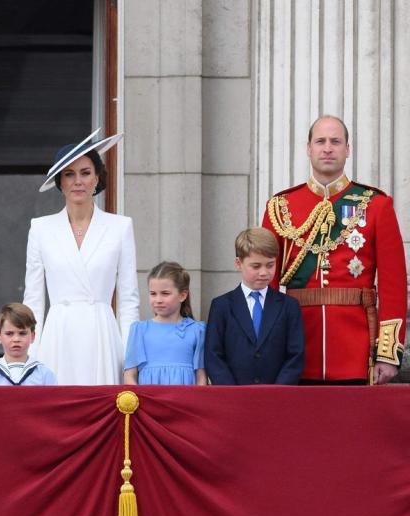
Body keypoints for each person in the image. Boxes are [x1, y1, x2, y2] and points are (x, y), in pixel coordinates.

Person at [262, 115, 407, 385]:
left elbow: (393, 284)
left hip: (356, 351)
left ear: (347, 150)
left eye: (335, 141)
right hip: (296, 348)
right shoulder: (280, 207)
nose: (327, 148)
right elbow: (266, 283)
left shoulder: (376, 205)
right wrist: (268, 347)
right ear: (309, 149)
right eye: (320, 141)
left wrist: (387, 353)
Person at [23, 129, 139, 385]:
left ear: (97, 178)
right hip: (58, 334)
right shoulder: (41, 228)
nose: (78, 181)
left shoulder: (120, 227)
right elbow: (33, 299)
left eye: (85, 173)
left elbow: (129, 300)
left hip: (102, 334)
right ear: (60, 182)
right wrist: (31, 354)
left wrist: (131, 358)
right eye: (69, 174)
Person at [204, 228, 305, 385]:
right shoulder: (221, 306)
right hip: (234, 398)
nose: (264, 272)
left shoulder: (289, 306)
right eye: (256, 266)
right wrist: (232, 393)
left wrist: (278, 391)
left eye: (270, 265)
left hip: (277, 397)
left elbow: (295, 355)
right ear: (239, 263)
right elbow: (213, 355)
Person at [123, 262, 207, 385]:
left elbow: (201, 377)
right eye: (153, 293)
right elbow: (130, 375)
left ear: (182, 295)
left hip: (184, 401)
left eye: (165, 293)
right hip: (149, 401)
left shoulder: (197, 330)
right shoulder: (139, 330)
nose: (158, 300)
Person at [0, 303, 56, 386]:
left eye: (22, 333)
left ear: (32, 336)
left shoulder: (45, 375)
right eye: (9, 334)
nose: (16, 339)